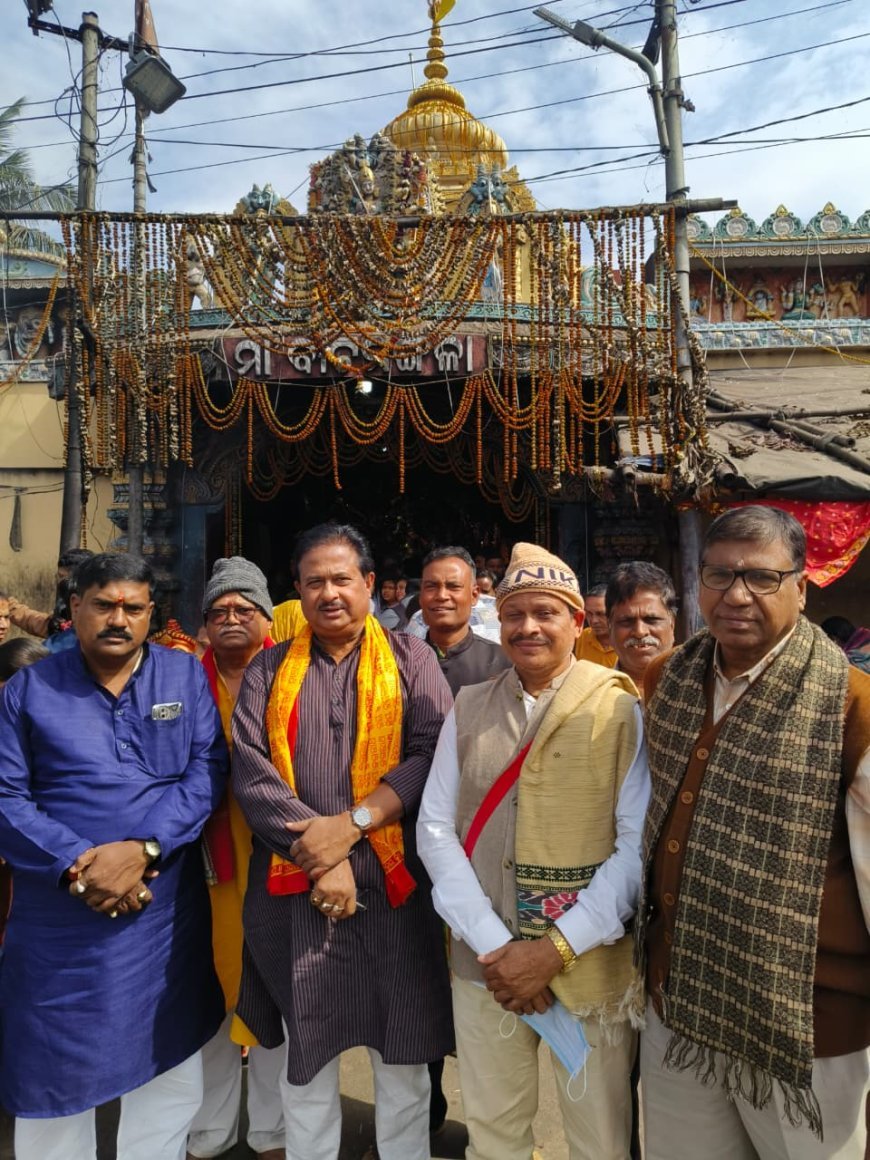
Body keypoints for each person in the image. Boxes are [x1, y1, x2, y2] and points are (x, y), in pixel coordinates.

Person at [638, 505, 870, 1160]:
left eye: (762, 578)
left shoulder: (850, 706)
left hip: (805, 1027)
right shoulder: (668, 680)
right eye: (720, 574)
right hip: (679, 1000)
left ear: (802, 585)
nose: (737, 595)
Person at [418, 542, 650, 1159]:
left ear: (578, 621)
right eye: (516, 613)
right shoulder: (468, 708)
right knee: (494, 1131)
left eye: (546, 613)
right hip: (487, 968)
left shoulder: (619, 707)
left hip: (586, 967)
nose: (528, 627)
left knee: (599, 1136)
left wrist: (552, 950)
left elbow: (635, 846)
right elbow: (435, 827)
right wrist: (500, 952)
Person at [231, 523, 454, 1160]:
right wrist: (320, 858)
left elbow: (430, 752)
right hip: (295, 888)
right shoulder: (270, 668)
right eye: (314, 581)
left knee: (403, 1046)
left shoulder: (412, 659)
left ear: (369, 584)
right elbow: (251, 771)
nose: (329, 593)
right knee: (308, 1045)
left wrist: (349, 828)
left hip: (392, 888)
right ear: (296, 592)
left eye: (342, 579)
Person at [0, 552, 228, 1160]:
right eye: (103, 604)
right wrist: (84, 864)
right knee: (53, 1074)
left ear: (151, 614)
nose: (117, 619)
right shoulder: (29, 688)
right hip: (60, 920)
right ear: (74, 609)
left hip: (160, 913)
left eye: (132, 607)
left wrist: (143, 850)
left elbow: (206, 771)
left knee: (167, 1062)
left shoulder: (182, 679)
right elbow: (5, 796)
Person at [187, 558, 285, 1160]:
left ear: (266, 617)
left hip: (281, 859)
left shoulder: (295, 674)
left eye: (243, 609)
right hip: (207, 864)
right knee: (212, 997)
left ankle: (274, 1131)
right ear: (203, 625)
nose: (230, 619)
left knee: (277, 995)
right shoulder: (178, 680)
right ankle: (209, 1132)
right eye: (219, 611)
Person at [418, 546, 511, 697]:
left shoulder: (503, 663)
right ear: (420, 595)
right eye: (431, 586)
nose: (441, 596)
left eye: (453, 587)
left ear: (474, 595)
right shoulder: (398, 663)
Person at [606, 561, 677, 698]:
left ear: (672, 624)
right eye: (627, 621)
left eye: (651, 620)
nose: (640, 631)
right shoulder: (592, 697)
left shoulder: (702, 690)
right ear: (610, 628)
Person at [6, 547, 94, 639]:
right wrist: (8, 605)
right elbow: (40, 623)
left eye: (62, 577)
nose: (59, 582)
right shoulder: (63, 615)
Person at [574, 583, 617, 668]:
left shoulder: (627, 642)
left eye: (601, 614)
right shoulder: (582, 637)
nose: (594, 621)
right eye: (589, 614)